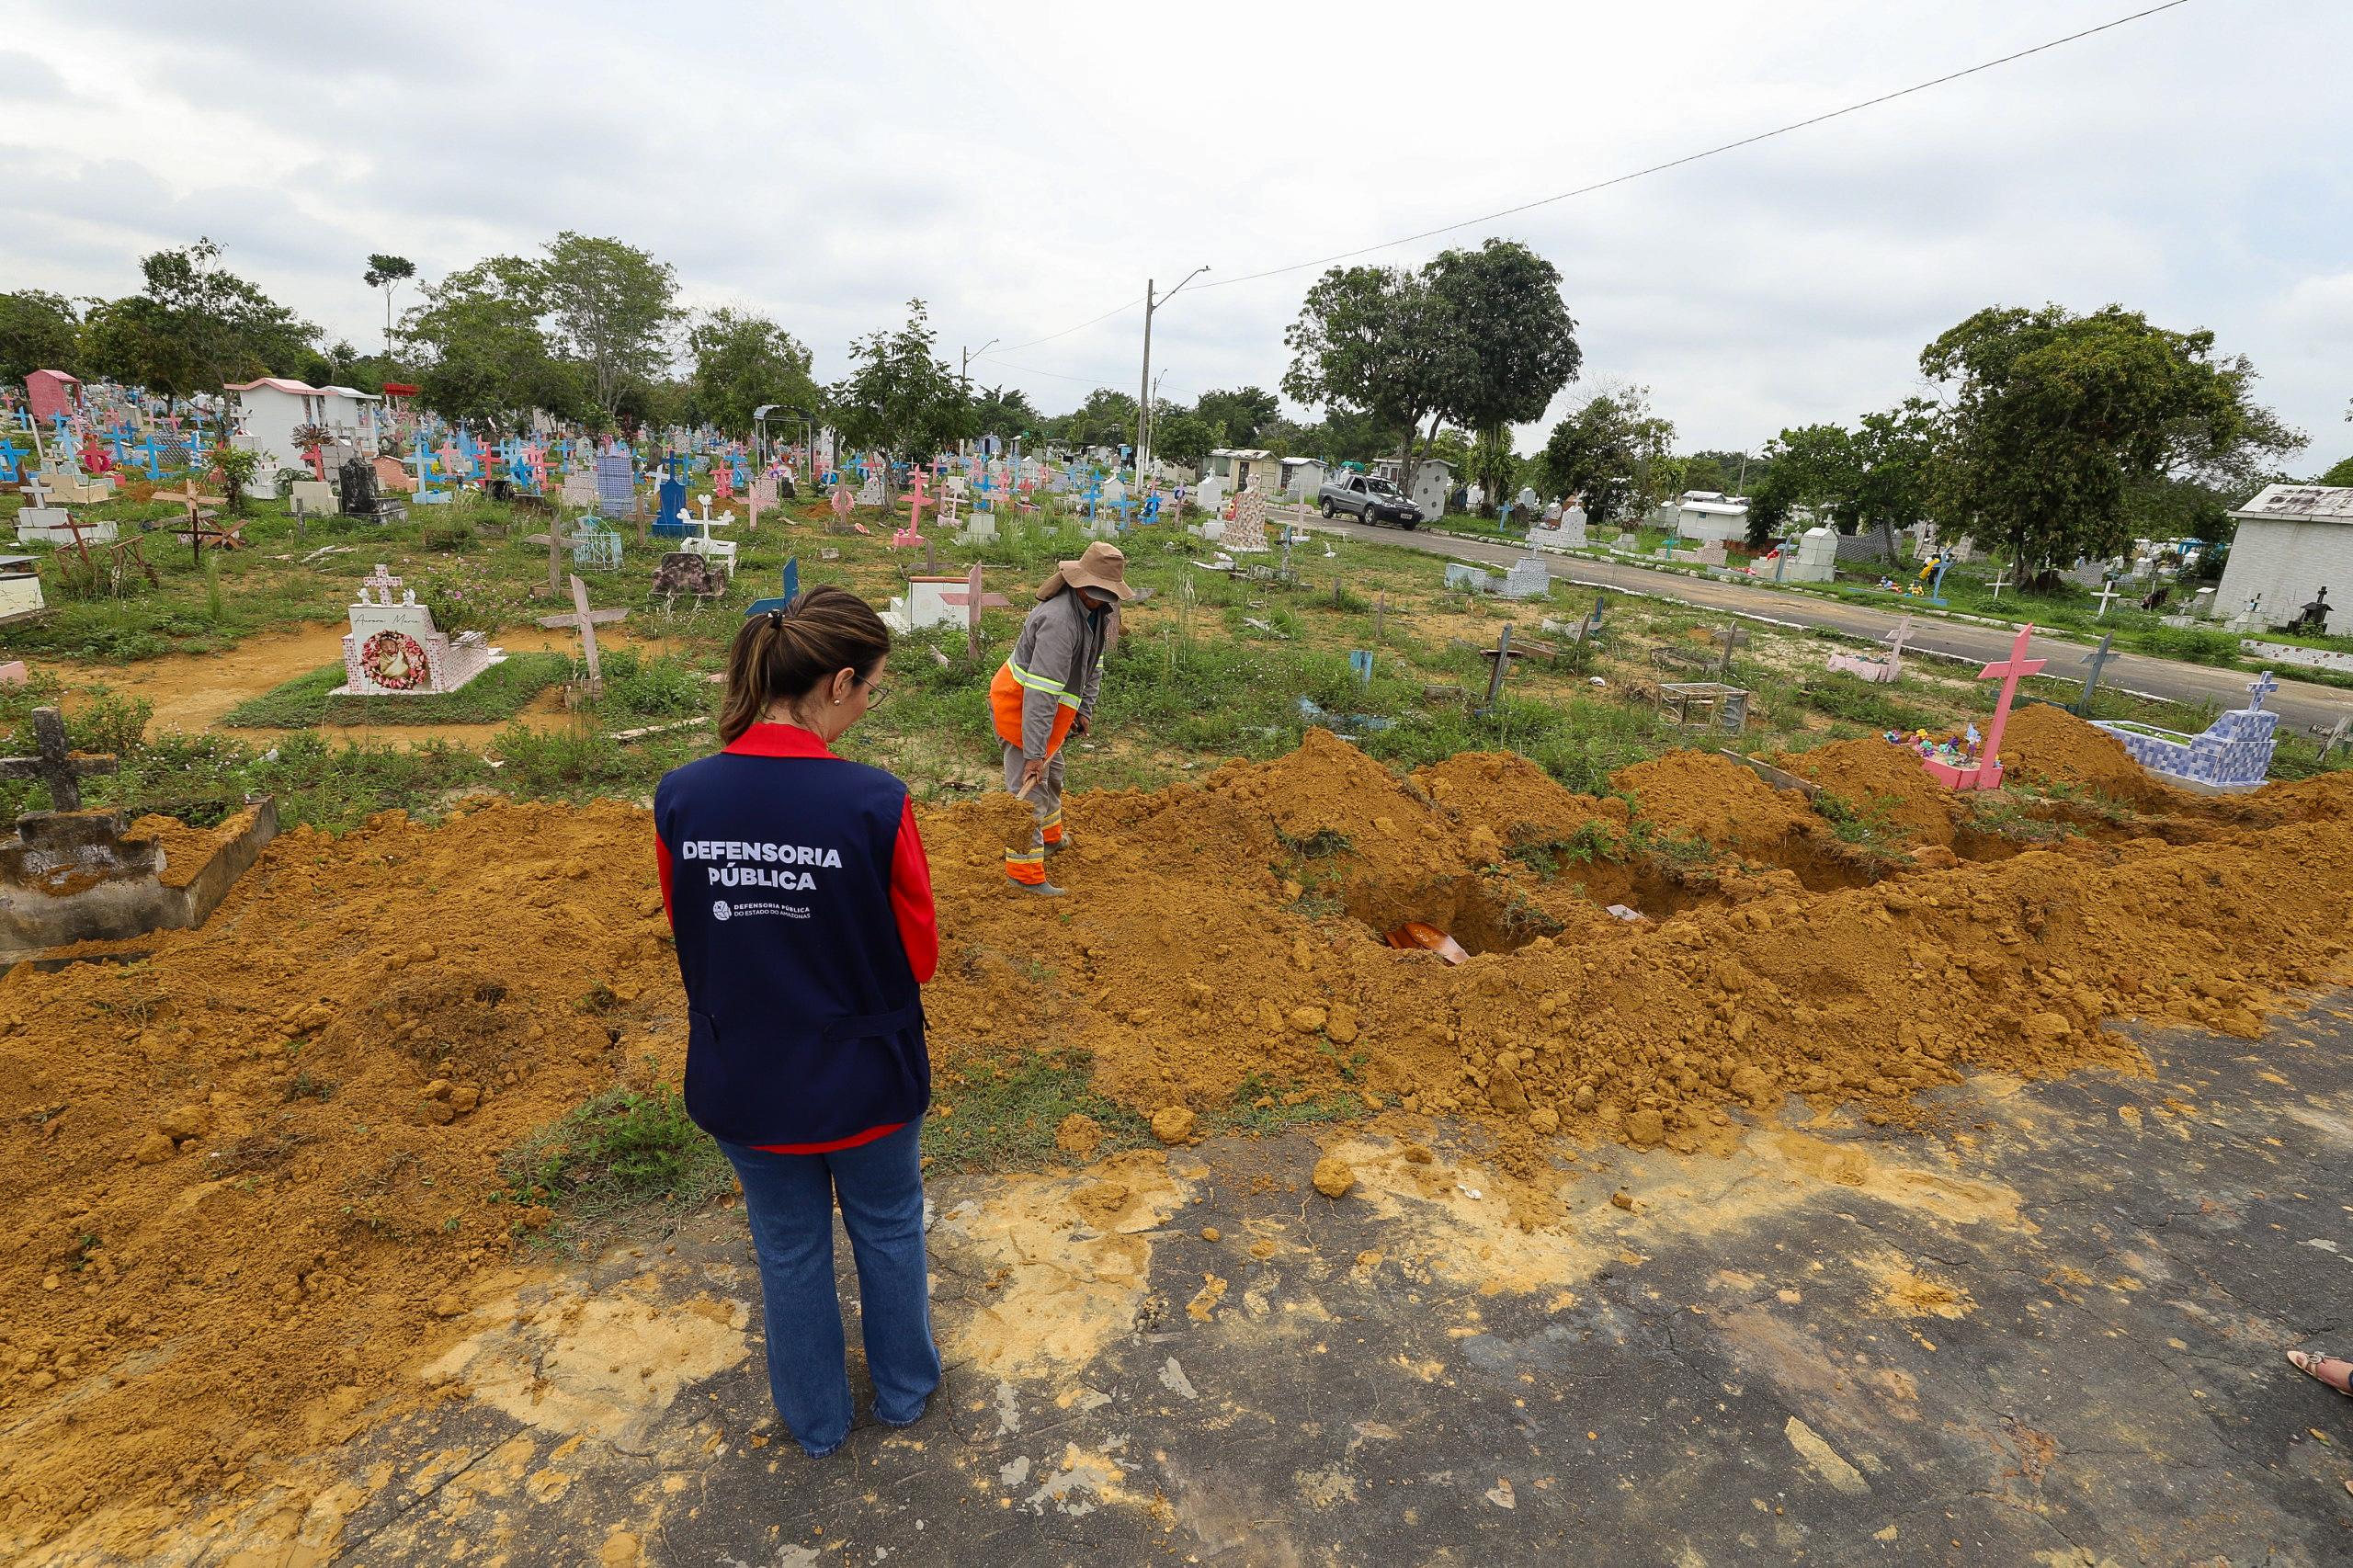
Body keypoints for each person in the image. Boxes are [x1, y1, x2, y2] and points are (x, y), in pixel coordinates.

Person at [652, 586, 940, 1459]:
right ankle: (904, 1395)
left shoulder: (683, 797)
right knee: (888, 1226)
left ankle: (815, 1421)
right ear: (838, 682)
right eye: (871, 691)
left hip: (745, 1074)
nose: (867, 707)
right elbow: (917, 953)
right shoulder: (873, 802)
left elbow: (688, 928)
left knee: (787, 1247)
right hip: (868, 1077)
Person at [990, 540, 1134, 895]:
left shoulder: (1095, 613)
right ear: (1083, 586)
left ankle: (1051, 839)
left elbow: (1093, 665)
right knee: (1029, 791)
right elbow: (1040, 693)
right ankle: (1023, 874)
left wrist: (1084, 709)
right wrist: (1033, 754)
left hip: (1052, 713)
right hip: (1020, 711)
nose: (1106, 600)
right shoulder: (1057, 622)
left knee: (1054, 775)